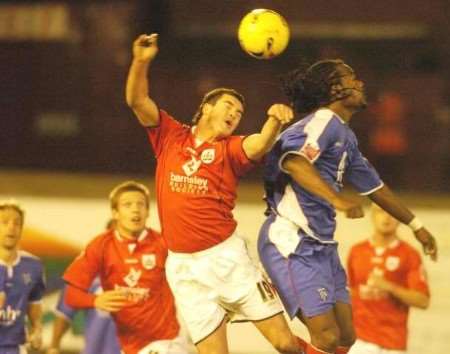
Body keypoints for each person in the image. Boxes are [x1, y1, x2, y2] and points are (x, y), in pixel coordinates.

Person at [126, 33, 307, 354]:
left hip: (226, 260)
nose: (234, 115)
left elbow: (259, 144)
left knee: (284, 344)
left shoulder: (231, 149)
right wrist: (141, 61)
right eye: (229, 106)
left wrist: (273, 122)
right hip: (183, 269)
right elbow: (137, 101)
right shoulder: (170, 136)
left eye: (239, 113)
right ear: (206, 108)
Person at [258, 59, 438, 354]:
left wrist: (416, 226)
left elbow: (376, 188)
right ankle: (273, 286)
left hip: (323, 246)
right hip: (292, 240)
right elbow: (294, 161)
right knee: (326, 337)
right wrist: (337, 199)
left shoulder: (345, 137)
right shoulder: (322, 121)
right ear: (334, 88)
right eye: (352, 78)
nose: (360, 83)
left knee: (345, 337)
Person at [62, 181, 189, 354]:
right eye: (127, 205)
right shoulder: (101, 246)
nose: (135, 209)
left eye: (141, 204)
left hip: (167, 341)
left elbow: (196, 273)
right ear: (115, 213)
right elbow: (71, 295)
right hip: (130, 346)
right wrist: (95, 300)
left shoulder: (163, 244)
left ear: (147, 212)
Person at [347, 204, 430, 354]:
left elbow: (423, 301)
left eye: (392, 213)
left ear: (400, 219)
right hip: (360, 340)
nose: (387, 217)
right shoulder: (357, 251)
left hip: (393, 342)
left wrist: (389, 287)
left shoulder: (409, 254)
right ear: (372, 216)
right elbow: (350, 294)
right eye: (381, 212)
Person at [0, 200, 45, 354]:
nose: (11, 227)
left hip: (15, 348)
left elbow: (35, 305)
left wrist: (37, 331)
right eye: (4, 222)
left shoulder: (33, 266)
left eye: (17, 223)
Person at [46, 278, 121, 354]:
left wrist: (54, 347)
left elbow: (63, 315)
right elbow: (64, 314)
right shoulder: (84, 275)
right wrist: (54, 347)